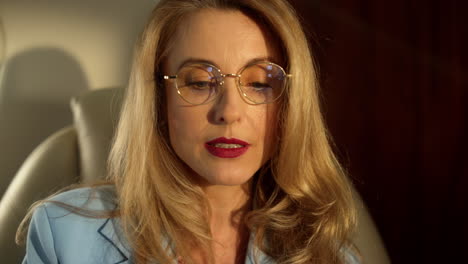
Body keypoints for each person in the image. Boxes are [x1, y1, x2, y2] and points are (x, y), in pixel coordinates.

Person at [18, 0, 360, 263]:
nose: (228, 112)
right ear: (158, 98)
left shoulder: (328, 253)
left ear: (291, 103)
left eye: (259, 83)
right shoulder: (63, 233)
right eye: (199, 82)